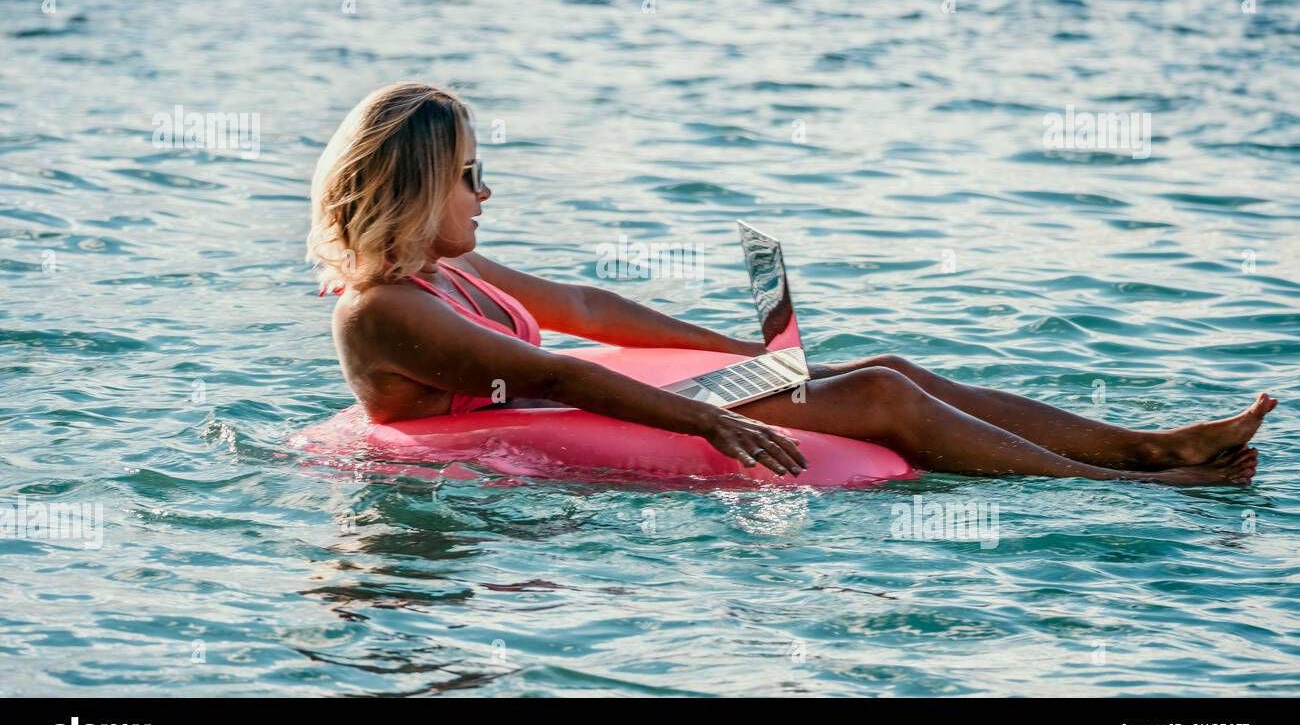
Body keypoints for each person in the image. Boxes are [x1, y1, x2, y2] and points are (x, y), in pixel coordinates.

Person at [307, 82, 1273, 485]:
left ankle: (1151, 445)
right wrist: (712, 417)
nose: (487, 189)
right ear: (415, 185)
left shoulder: (448, 267)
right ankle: (1129, 487)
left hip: (607, 398)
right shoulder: (386, 311)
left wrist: (737, 356)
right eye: (468, 174)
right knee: (885, 396)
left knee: (886, 365)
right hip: (550, 424)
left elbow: (585, 311)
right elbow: (551, 376)